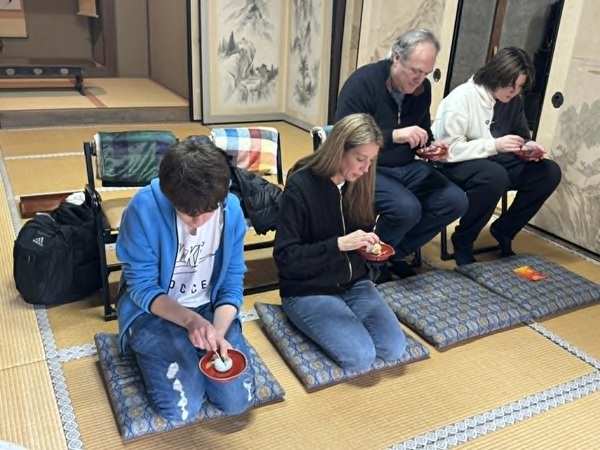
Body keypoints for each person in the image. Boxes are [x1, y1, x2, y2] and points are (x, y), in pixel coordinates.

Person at [115, 137, 254, 422]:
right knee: (181, 409)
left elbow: (231, 282)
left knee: (236, 402)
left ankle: (191, 347)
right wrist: (190, 321)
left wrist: (217, 331)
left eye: (208, 212)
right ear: (170, 198)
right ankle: (145, 347)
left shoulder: (231, 210)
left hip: (208, 307)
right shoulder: (143, 210)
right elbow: (141, 287)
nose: (199, 222)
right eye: (189, 215)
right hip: (154, 312)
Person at [273, 113, 407, 372]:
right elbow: (285, 258)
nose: (366, 168)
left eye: (371, 160)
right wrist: (338, 245)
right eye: (360, 159)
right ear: (339, 150)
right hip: (308, 288)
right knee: (361, 357)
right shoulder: (301, 185)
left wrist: (368, 245)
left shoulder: (359, 182)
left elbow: (362, 231)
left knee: (393, 348)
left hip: (354, 283)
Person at [335, 28, 468, 281]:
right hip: (366, 166)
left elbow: (423, 131)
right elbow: (345, 136)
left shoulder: (422, 88)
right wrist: (395, 135)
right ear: (396, 57)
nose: (420, 79)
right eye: (415, 71)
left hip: (406, 165)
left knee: (455, 200)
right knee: (406, 208)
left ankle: (393, 253)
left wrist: (431, 148)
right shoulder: (363, 83)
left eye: (426, 73)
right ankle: (370, 262)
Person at [431, 47, 562, 265]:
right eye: (511, 85)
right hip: (454, 162)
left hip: (494, 160)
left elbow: (520, 136)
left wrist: (527, 148)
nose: (514, 91)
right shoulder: (462, 98)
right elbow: (448, 151)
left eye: (520, 86)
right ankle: (464, 239)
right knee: (494, 175)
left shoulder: (513, 101)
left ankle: (505, 229)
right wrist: (495, 145)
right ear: (496, 75)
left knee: (548, 171)